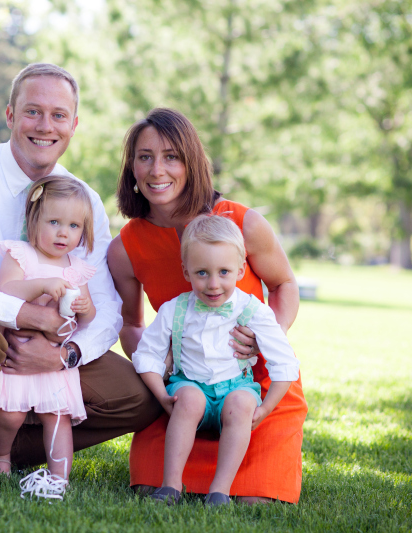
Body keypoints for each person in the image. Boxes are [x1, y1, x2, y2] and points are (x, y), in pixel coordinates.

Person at [0, 64, 159, 481]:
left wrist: (65, 355)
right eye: (33, 111)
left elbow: (106, 307)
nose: (45, 126)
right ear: (10, 115)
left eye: (58, 115)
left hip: (51, 343)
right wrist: (27, 316)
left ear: (74, 125)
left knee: (138, 397)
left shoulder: (83, 200)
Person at [108, 108, 307, 504]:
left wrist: (266, 338)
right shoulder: (125, 247)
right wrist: (160, 366)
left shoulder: (242, 222)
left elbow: (284, 284)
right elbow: (131, 325)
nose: (157, 170)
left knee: (256, 499)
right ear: (131, 167)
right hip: (183, 384)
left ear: (192, 162)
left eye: (171, 157)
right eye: (145, 157)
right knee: (148, 486)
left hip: (252, 382)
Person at [132, 215, 300, 506]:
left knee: (242, 404)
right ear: (186, 271)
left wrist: (266, 408)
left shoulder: (252, 310)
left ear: (240, 270)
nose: (213, 284)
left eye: (224, 272)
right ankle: (171, 486)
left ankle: (219, 491)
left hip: (235, 387)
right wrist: (162, 396)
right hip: (189, 384)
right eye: (202, 273)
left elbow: (284, 361)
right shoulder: (175, 309)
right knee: (188, 400)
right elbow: (147, 355)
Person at [0, 175, 97, 497]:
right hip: (20, 352)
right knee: (10, 414)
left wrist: (86, 308)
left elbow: (87, 319)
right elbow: (7, 291)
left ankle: (59, 476)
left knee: (57, 418)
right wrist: (42, 285)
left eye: (74, 226)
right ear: (34, 220)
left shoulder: (77, 268)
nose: (63, 232)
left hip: (54, 360)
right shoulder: (21, 255)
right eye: (54, 222)